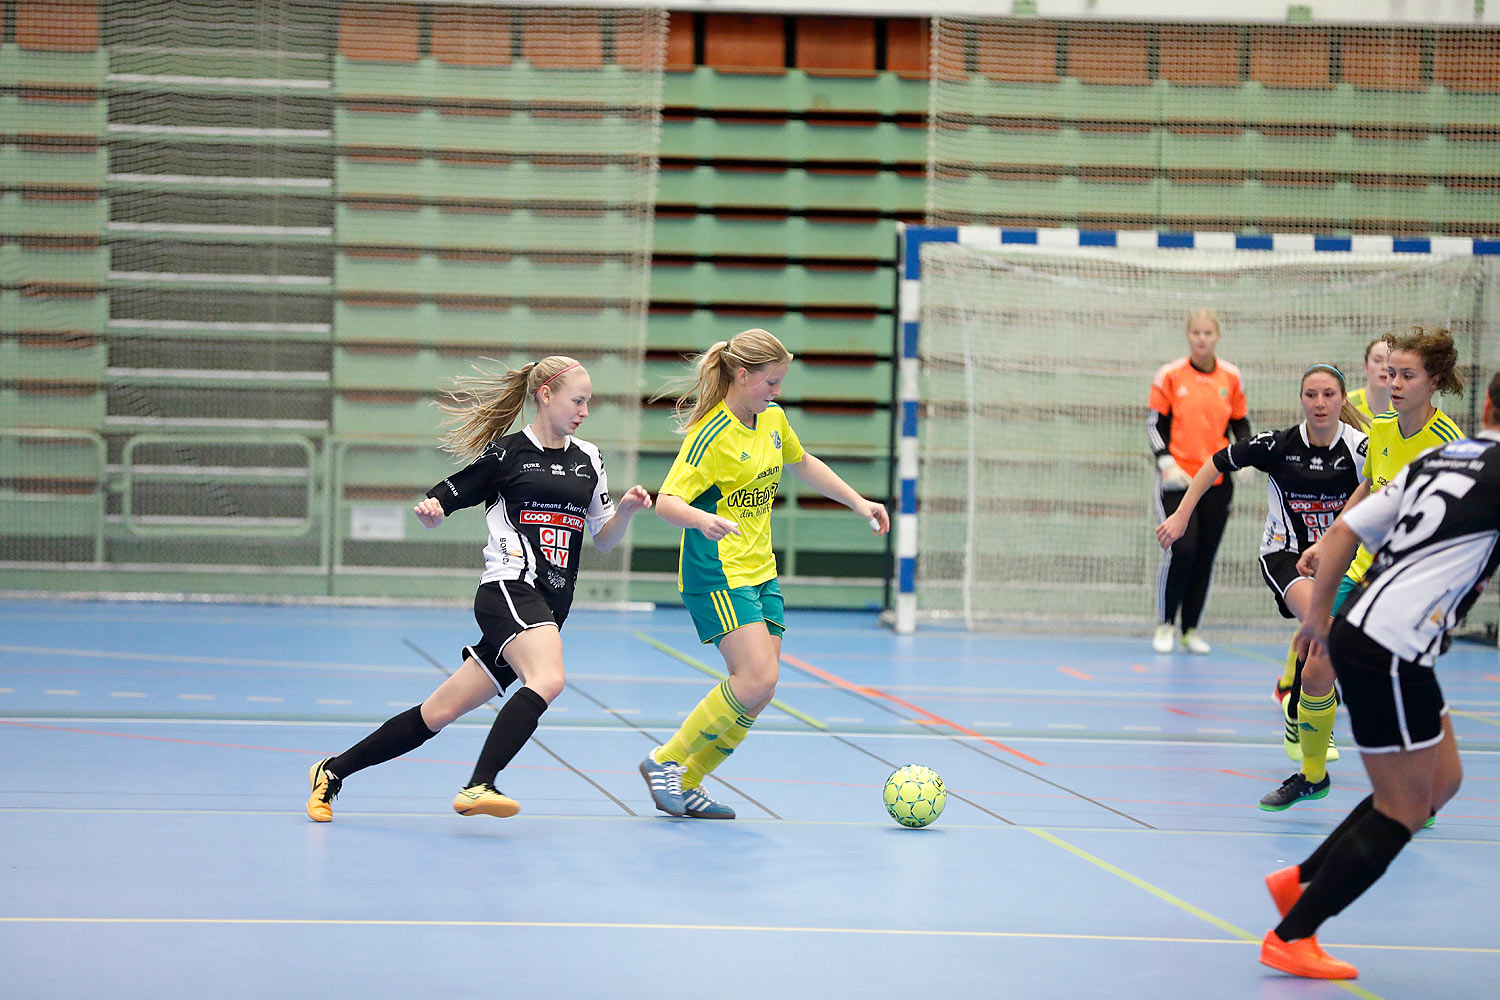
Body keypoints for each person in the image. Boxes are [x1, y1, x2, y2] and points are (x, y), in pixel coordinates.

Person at [306, 356, 652, 822]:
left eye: (588, 402)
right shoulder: (508, 454)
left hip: (548, 607)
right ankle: (478, 785)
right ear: (545, 395)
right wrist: (432, 512)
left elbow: (603, 540)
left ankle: (332, 771)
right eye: (578, 400)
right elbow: (447, 496)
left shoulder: (589, 459)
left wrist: (626, 511)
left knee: (438, 711)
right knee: (548, 679)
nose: (584, 411)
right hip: (510, 589)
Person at [1259, 370, 1500, 981]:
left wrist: (1317, 620)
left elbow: (1343, 529)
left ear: (1488, 403)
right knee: (1405, 808)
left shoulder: (1444, 457)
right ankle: (1292, 935)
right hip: (1391, 646)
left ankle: (1300, 879)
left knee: (1443, 780)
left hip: (1376, 632)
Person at [637, 328, 888, 818]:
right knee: (755, 677)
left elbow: (803, 462)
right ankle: (663, 761)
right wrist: (702, 519)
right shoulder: (710, 434)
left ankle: (688, 781)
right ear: (742, 374)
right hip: (716, 569)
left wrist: (858, 502)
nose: (777, 392)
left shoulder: (772, 420)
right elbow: (667, 502)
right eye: (770, 382)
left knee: (761, 689)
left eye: (780, 382)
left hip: (760, 570)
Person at [1157, 364, 1367, 809]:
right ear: (1302, 400)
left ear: (1342, 399)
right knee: (1321, 625)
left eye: (1329, 394)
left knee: (1322, 647)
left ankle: (1299, 711)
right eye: (1311, 395)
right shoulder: (1279, 445)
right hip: (1285, 557)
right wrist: (1181, 515)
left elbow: (1387, 485)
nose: (1320, 403)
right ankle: (1307, 729)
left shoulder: (1361, 449)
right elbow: (1217, 460)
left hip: (1341, 562)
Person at [1289, 326, 1466, 816]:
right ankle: (1311, 775)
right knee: (1316, 664)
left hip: (1409, 584)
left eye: (1407, 375)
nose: (1395, 383)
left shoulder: (1447, 443)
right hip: (1363, 569)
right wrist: (1329, 541)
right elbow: (1369, 488)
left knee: (1401, 686)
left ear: (1433, 382)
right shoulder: (1383, 428)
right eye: (1391, 374)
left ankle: (1419, 794)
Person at [1149, 309, 1251, 654]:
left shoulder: (1231, 377)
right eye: (1196, 332)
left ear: (1217, 335)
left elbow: (1241, 424)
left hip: (1217, 482)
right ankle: (1165, 624)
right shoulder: (1170, 376)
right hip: (1178, 480)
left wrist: (1247, 457)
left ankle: (1191, 629)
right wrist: (1166, 461)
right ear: (1188, 335)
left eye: (1208, 332)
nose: (1202, 338)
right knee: (1183, 549)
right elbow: (1155, 425)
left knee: (1205, 555)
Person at [1346, 337, 1391, 422]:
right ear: (1365, 366)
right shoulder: (1347, 405)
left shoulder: (1403, 409)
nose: (1385, 367)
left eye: (1390, 361)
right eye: (1377, 360)